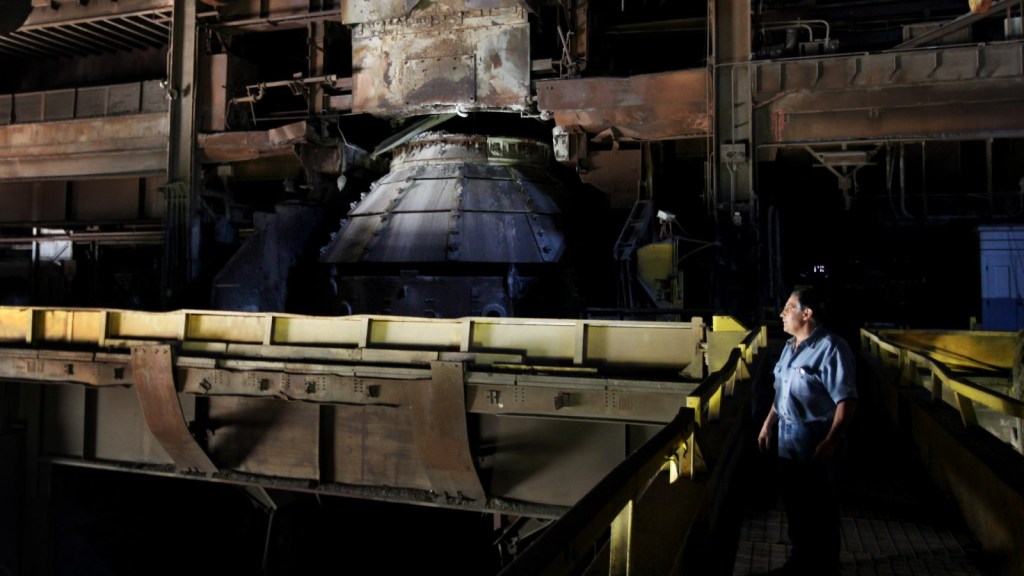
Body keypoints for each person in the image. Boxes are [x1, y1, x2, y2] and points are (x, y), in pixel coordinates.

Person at [758, 286, 858, 575]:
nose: (782, 313)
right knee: (795, 504)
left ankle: (825, 566)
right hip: (787, 439)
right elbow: (782, 394)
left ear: (807, 313)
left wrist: (830, 441)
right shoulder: (790, 348)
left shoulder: (832, 348)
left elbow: (846, 400)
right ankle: (799, 561)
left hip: (815, 437)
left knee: (820, 507)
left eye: (789, 307)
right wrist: (767, 425)